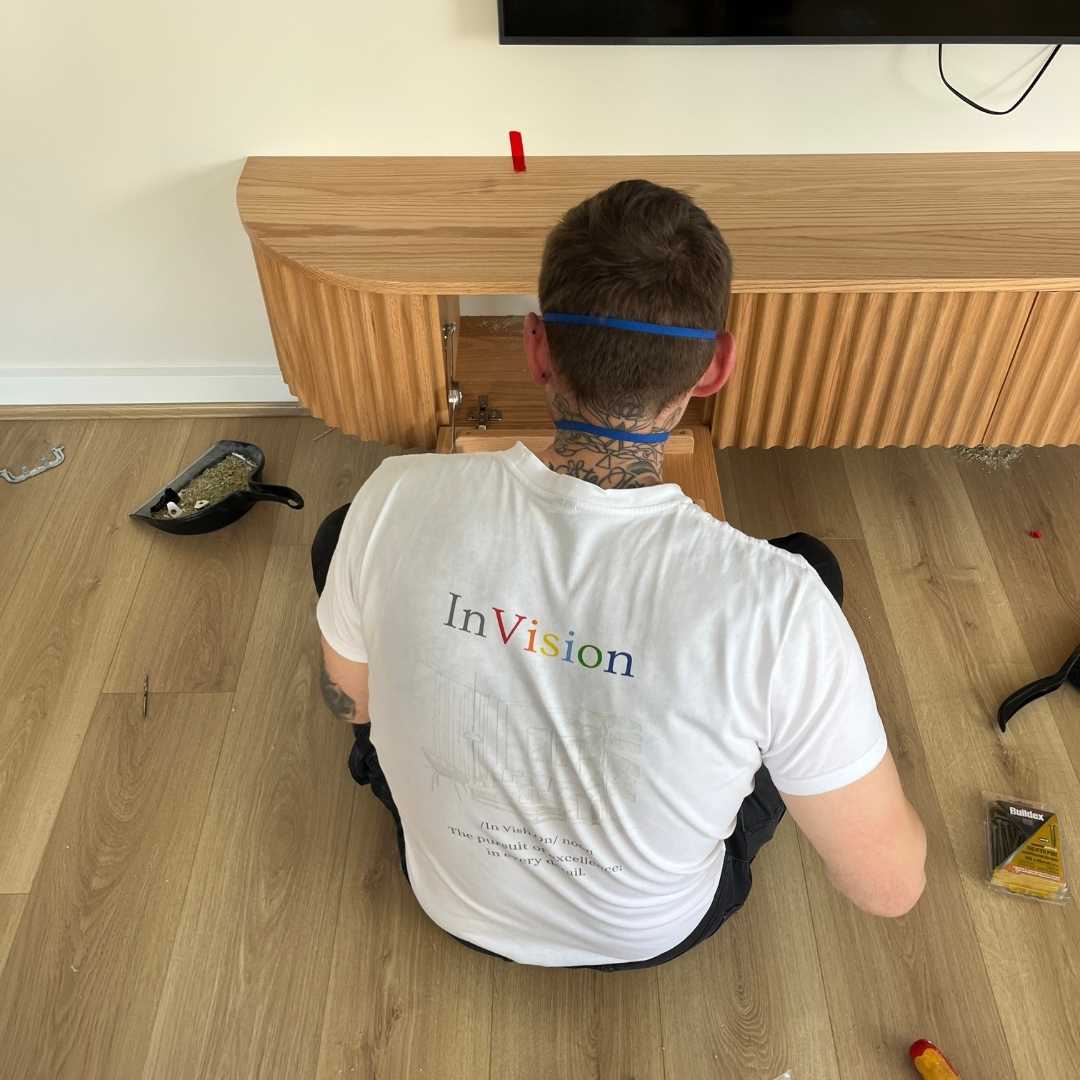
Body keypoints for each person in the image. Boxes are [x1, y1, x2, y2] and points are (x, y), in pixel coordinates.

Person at [313, 179, 927, 970]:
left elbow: (349, 704)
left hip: (446, 895)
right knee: (816, 566)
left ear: (536, 347)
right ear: (715, 368)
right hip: (641, 937)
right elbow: (890, 889)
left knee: (341, 539)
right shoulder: (781, 606)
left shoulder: (394, 494)